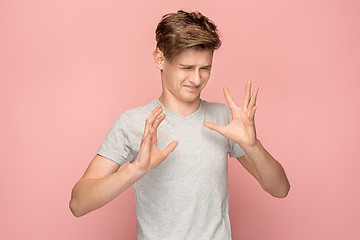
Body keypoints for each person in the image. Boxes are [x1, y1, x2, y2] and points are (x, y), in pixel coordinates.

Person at [69, 10, 290, 239]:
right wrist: (135, 170)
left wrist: (253, 145)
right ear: (160, 59)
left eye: (205, 68)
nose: (196, 79)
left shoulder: (224, 119)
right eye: (186, 68)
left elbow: (280, 189)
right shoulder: (134, 122)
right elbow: (78, 204)